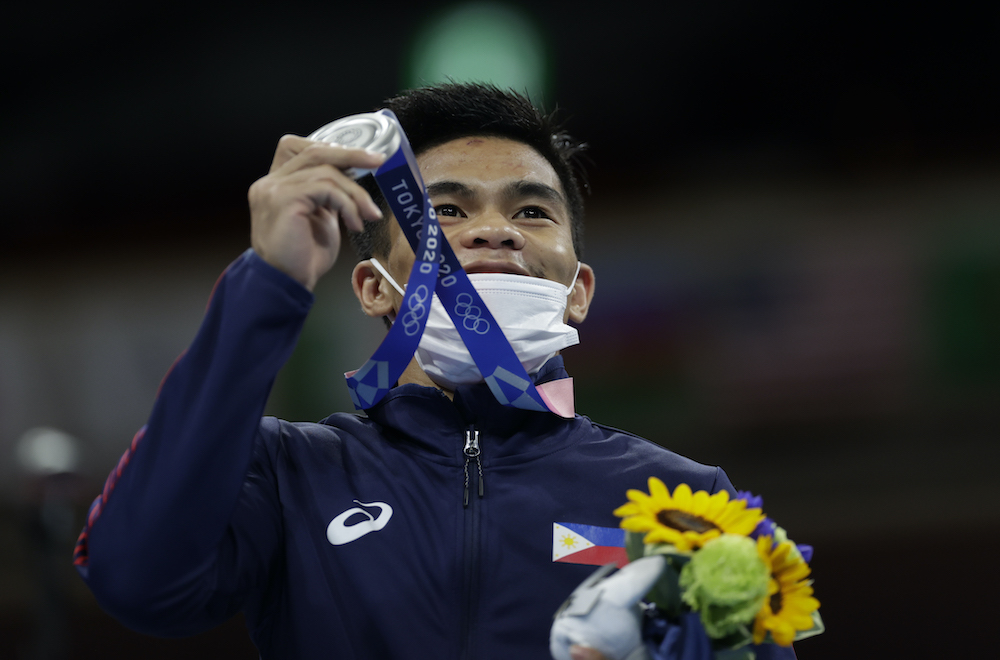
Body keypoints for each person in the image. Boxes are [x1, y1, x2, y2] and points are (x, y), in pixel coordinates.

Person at [73, 83, 795, 660]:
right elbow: (138, 583)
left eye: (533, 210)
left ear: (578, 291)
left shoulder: (689, 503)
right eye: (444, 208)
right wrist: (270, 282)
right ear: (373, 288)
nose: (494, 229)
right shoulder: (290, 474)